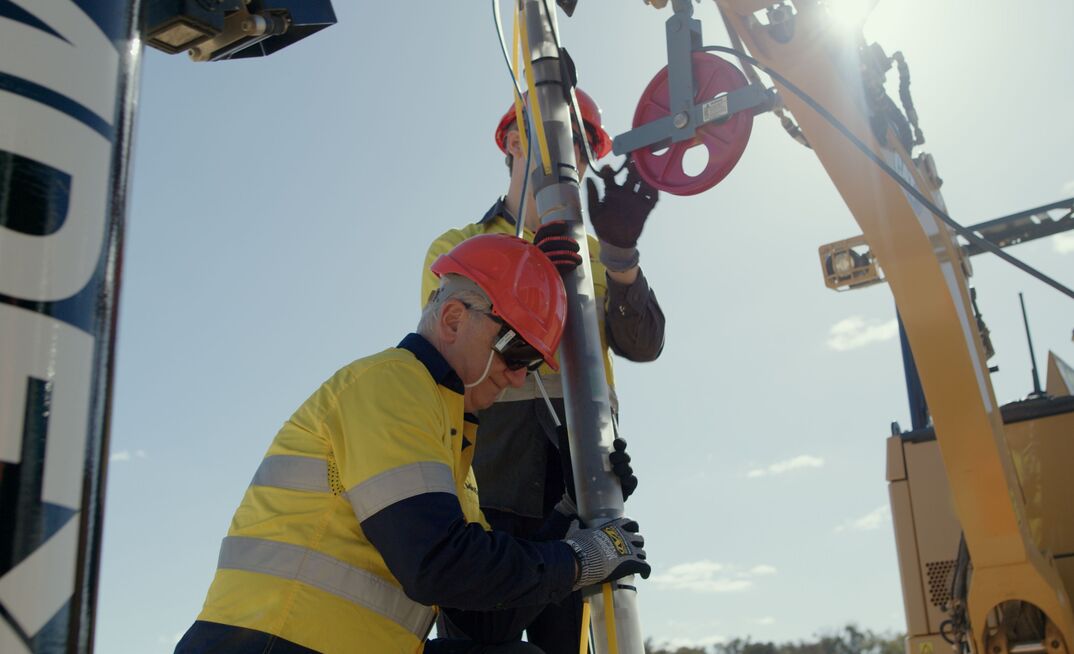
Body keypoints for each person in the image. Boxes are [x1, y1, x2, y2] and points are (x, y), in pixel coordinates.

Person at [175, 234, 649, 654]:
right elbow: (438, 565)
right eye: (517, 349)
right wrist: (580, 559)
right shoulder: (393, 383)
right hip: (267, 643)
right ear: (453, 318)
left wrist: (568, 512)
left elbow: (487, 623)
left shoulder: (452, 446)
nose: (521, 375)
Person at [420, 90, 665, 652]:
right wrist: (538, 270)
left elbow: (644, 343)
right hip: (488, 481)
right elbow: (455, 349)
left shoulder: (599, 257)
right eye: (555, 136)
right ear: (511, 141)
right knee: (478, 644)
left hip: (581, 485)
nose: (568, 153)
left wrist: (622, 259)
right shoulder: (460, 247)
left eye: (579, 143)